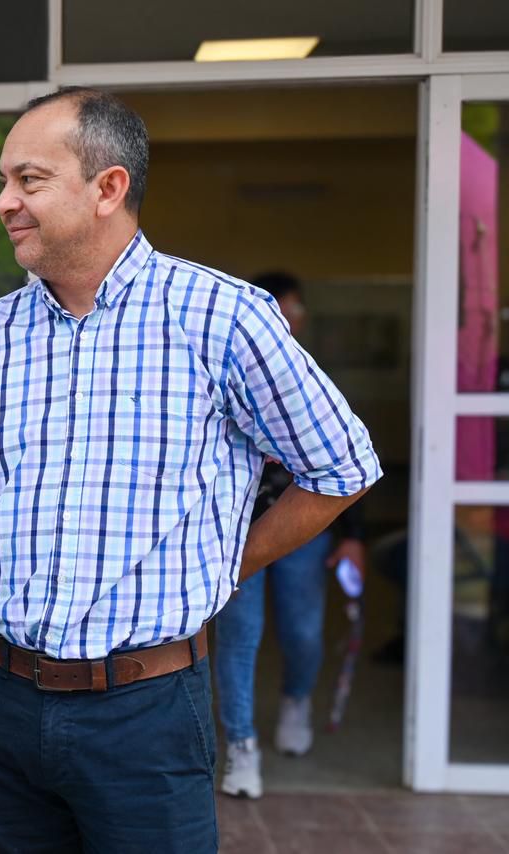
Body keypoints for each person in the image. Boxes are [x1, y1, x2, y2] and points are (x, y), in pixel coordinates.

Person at [0, 87, 381, 853]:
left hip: (145, 711)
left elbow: (341, 467)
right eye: (4, 181)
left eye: (29, 180)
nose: (3, 203)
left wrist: (225, 565)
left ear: (108, 187)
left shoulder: (223, 316)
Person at [213, 271, 369, 800]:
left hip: (305, 528)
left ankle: (296, 699)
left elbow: (348, 464)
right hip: (236, 530)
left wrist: (353, 538)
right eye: (283, 310)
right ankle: (241, 744)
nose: (291, 319)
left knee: (302, 630)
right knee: (240, 636)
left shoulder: (314, 376)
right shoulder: (224, 367)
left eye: (297, 311)